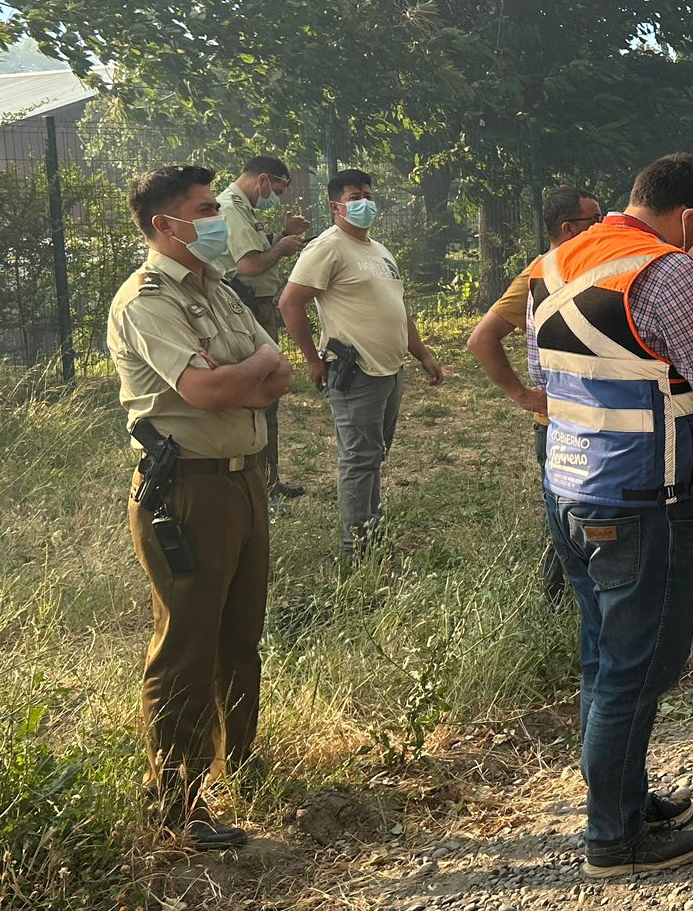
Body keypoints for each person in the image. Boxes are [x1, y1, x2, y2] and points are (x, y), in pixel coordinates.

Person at [533, 154, 693, 877]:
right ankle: (612, 839)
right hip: (646, 501)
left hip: (571, 492)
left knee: (603, 657)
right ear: (689, 217)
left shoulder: (554, 263)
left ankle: (621, 795)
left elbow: (542, 375)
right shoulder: (667, 271)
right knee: (641, 665)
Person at [107, 165, 293, 850]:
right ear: (165, 225)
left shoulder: (216, 286)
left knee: (241, 637)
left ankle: (241, 768)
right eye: (206, 209)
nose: (219, 218)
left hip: (244, 480)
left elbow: (280, 369)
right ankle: (179, 804)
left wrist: (238, 380)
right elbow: (207, 390)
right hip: (187, 488)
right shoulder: (147, 298)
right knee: (188, 644)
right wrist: (244, 380)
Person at [279, 170, 444, 560]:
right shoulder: (327, 248)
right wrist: (312, 359)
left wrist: (422, 353)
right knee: (359, 458)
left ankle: (372, 531)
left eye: (368, 194)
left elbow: (398, 309)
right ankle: (358, 549)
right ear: (336, 206)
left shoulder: (378, 250)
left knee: (373, 454)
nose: (364, 202)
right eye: (355, 196)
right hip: (355, 371)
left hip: (390, 369)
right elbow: (290, 303)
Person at [464, 186, 604, 598]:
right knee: (566, 516)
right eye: (593, 221)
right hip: (559, 423)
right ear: (567, 228)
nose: (602, 227)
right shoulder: (540, 272)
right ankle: (559, 599)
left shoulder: (601, 265)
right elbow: (481, 339)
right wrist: (523, 396)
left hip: (599, 421)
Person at [207, 155, 309, 499]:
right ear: (262, 180)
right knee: (260, 394)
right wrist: (281, 248)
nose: (275, 197)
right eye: (276, 189)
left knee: (268, 397)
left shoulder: (242, 209)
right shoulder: (231, 208)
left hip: (255, 308)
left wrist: (282, 235)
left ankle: (267, 481)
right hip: (246, 309)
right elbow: (249, 265)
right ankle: (260, 485)